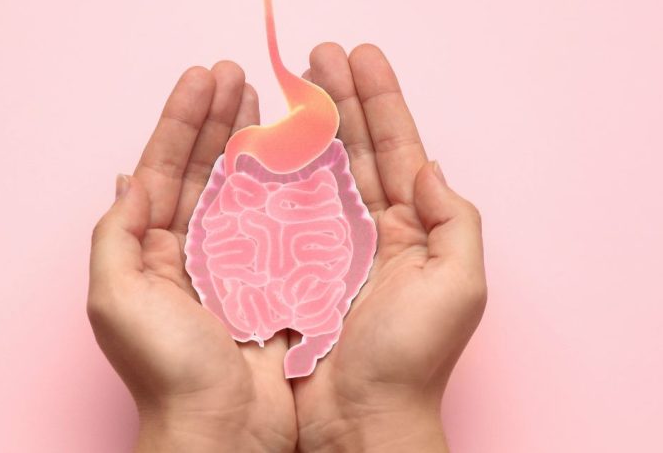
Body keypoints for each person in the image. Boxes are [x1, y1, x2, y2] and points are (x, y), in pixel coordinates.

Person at [88, 42, 487, 452]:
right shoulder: (248, 199)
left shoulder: (310, 191)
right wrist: (387, 420)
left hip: (299, 300)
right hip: (266, 302)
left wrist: (200, 426)